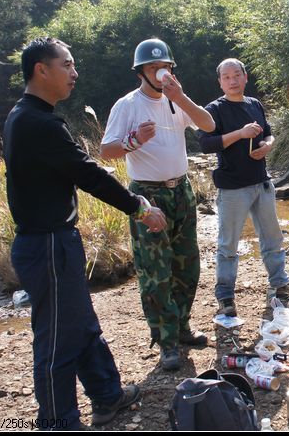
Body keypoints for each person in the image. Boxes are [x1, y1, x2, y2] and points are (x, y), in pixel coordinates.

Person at [4, 37, 167, 428]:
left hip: (56, 242)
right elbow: (88, 174)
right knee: (57, 339)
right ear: (41, 70)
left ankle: (107, 395)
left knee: (81, 324)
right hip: (46, 245)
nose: (75, 73)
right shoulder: (36, 122)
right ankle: (58, 421)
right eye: (67, 65)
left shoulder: (27, 116)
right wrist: (139, 207)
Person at [99, 38, 216, 371]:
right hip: (148, 195)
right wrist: (134, 140)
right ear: (141, 72)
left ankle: (182, 327)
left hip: (182, 190)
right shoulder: (127, 105)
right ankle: (165, 341)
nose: (161, 73)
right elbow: (106, 150)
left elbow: (208, 125)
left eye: (164, 67)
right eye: (153, 68)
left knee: (187, 265)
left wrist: (179, 97)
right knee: (155, 273)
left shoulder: (175, 99)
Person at [197, 58, 289, 318]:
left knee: (273, 238)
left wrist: (268, 146)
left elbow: (269, 133)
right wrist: (240, 134)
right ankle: (225, 296)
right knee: (228, 245)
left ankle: (280, 284)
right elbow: (206, 144)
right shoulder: (213, 109)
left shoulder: (254, 104)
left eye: (236, 75)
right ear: (220, 82)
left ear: (245, 77)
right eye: (226, 77)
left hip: (261, 182)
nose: (232, 80)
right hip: (232, 188)